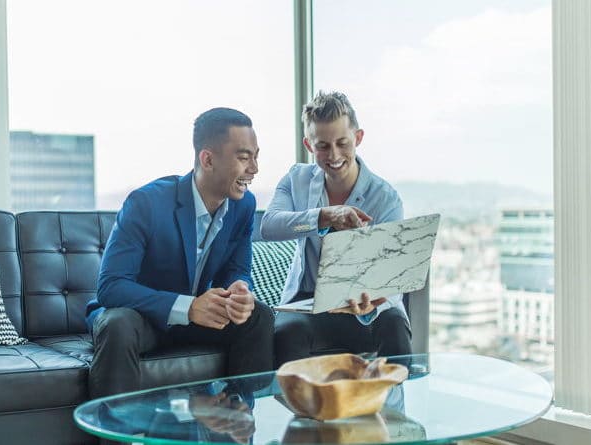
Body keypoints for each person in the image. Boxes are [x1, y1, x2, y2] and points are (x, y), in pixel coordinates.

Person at [86, 107, 274, 398]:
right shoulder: (146, 203)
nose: (255, 168)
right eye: (244, 157)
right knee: (118, 324)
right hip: (142, 318)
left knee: (258, 316)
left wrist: (239, 290)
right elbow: (111, 287)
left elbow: (237, 269)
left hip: (196, 319)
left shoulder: (244, 205)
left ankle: (236, 417)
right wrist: (188, 307)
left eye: (256, 156)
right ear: (208, 159)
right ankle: (112, 426)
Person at [260, 91, 411, 366]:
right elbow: (270, 226)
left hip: (363, 303)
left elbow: (393, 276)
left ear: (358, 138)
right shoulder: (296, 180)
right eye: (323, 146)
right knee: (287, 333)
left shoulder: (385, 198)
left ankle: (397, 395)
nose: (334, 155)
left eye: (342, 143)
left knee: (394, 325)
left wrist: (372, 302)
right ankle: (296, 397)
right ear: (309, 144)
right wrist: (323, 217)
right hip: (308, 303)